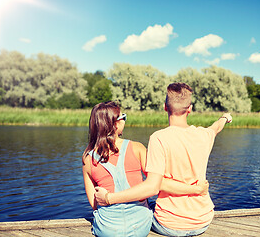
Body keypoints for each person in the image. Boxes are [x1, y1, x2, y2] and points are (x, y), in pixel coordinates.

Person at [95, 83, 232, 236]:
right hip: (203, 220)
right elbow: (216, 127)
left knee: (142, 208)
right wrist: (225, 117)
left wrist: (108, 198)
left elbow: (156, 184)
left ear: (165, 107)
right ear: (190, 109)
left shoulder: (158, 139)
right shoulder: (203, 135)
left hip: (169, 224)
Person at [82, 101, 209, 237]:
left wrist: (109, 199)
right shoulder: (137, 149)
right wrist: (196, 189)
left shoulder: (88, 159)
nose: (125, 120)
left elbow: (94, 204)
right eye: (123, 117)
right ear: (115, 124)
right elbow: (159, 184)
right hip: (140, 227)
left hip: (107, 230)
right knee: (155, 204)